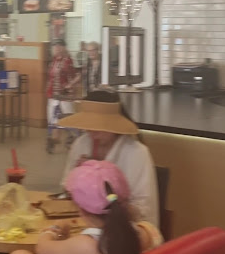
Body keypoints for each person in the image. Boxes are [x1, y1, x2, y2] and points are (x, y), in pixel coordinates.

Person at [0, 161, 162, 254]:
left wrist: (54, 229)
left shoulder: (86, 245)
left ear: (81, 210)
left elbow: (42, 247)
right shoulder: (143, 233)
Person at [59, 90, 159, 226]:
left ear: (115, 124)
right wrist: (77, 179)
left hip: (125, 228)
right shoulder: (82, 143)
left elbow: (143, 209)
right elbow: (67, 187)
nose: (92, 133)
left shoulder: (136, 153)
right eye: (88, 126)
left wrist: (101, 184)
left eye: (98, 127)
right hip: (84, 223)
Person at [46, 39, 80, 153]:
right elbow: (50, 77)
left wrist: (70, 85)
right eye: (55, 46)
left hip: (65, 96)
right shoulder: (54, 60)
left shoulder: (68, 61)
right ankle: (55, 139)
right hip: (53, 95)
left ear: (63, 47)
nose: (56, 48)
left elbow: (78, 76)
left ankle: (71, 138)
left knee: (68, 119)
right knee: (54, 120)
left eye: (59, 46)